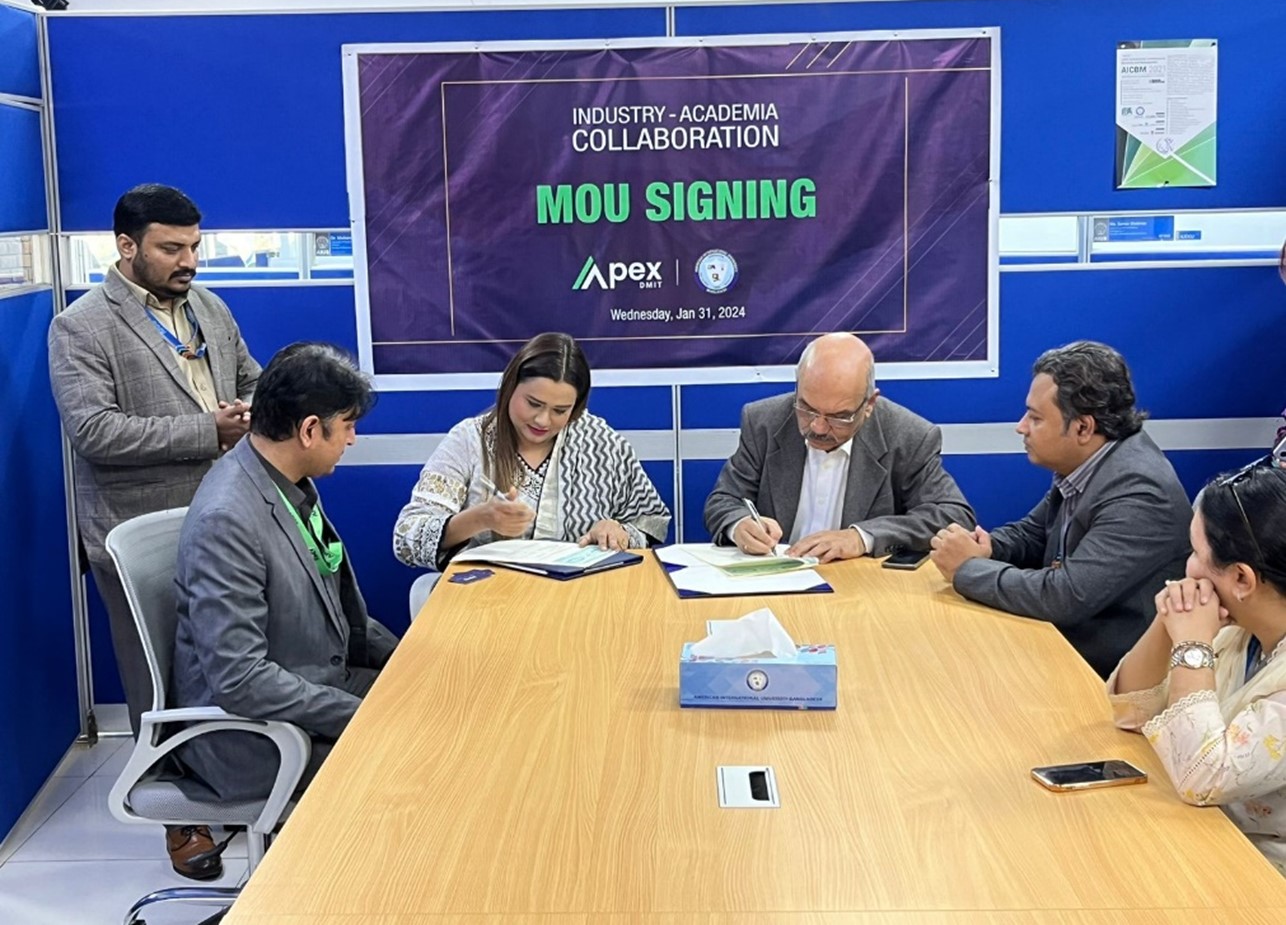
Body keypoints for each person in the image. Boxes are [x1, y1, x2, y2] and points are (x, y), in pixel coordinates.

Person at [170, 342, 398, 877]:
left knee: (444, 715)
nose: (352, 439)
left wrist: (411, 661)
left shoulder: (288, 484)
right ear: (310, 430)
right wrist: (363, 716)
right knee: (419, 763)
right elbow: (241, 680)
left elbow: (343, 612)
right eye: (347, 426)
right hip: (253, 735)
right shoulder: (229, 518)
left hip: (316, 684)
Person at [48, 183, 259, 740]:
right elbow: (96, 433)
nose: (189, 261)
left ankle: (237, 781)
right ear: (126, 246)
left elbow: (253, 380)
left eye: (194, 246)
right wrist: (208, 430)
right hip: (139, 531)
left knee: (231, 662)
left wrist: (255, 408)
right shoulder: (81, 325)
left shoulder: (208, 307)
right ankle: (175, 815)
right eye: (171, 249)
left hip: (225, 515)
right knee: (156, 674)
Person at [929, 341, 1191, 677]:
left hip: (1107, 675)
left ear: (1083, 427)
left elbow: (1065, 597)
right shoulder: (1091, 461)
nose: (1020, 427)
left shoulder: (1140, 490)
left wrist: (966, 569)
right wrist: (989, 547)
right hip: (1063, 650)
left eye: (1035, 418)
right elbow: (1033, 532)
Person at [1108, 460, 1286, 875]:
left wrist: (1190, 643)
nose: (1186, 568)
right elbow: (1132, 711)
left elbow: (1202, 777)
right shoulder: (1237, 632)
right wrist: (1170, 618)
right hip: (1205, 842)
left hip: (1262, 878)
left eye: (1196, 553)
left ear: (1242, 579)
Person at [393, 332, 671, 575]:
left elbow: (651, 521)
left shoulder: (602, 443)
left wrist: (618, 532)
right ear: (510, 387)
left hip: (581, 600)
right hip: (489, 602)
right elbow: (407, 537)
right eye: (533, 403)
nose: (543, 420)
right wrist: (481, 518)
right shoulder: (469, 441)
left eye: (560, 411)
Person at [702, 332, 974, 561]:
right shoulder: (765, 421)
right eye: (807, 409)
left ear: (869, 405)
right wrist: (739, 525)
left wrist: (861, 537)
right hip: (776, 579)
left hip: (860, 590)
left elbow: (953, 516)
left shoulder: (908, 436)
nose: (818, 427)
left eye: (839, 417)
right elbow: (724, 500)